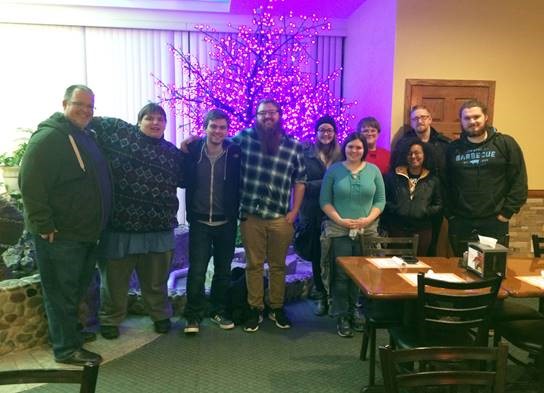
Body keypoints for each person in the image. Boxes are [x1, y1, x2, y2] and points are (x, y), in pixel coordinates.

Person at [18, 84, 111, 365]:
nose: (85, 110)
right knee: (61, 294)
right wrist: (44, 225)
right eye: (79, 104)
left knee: (73, 291)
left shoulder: (83, 136)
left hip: (83, 234)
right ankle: (66, 349)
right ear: (64, 103)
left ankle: (69, 336)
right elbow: (30, 184)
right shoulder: (49, 139)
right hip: (60, 236)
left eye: (90, 107)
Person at [92, 103, 184, 339]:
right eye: (149, 118)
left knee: (156, 282)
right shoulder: (120, 135)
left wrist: (189, 146)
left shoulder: (172, 153)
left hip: (158, 228)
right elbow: (89, 118)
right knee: (114, 281)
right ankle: (110, 319)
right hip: (120, 228)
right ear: (139, 121)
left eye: (160, 119)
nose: (155, 123)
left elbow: (189, 178)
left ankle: (160, 316)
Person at [234, 99, 306, 333]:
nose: (267, 117)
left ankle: (276, 307)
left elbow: (300, 181)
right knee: (253, 265)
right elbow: (217, 143)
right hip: (251, 216)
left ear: (279, 115)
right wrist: (192, 142)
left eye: (272, 113)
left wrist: (294, 211)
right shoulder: (244, 138)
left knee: (277, 266)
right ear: (256, 116)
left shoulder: (293, 145)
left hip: (280, 218)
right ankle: (255, 308)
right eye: (263, 113)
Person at [320, 132, 385, 338]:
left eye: (358, 147)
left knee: (364, 275)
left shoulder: (373, 171)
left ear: (364, 149)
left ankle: (358, 311)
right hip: (339, 231)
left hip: (367, 231)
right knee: (341, 275)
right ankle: (342, 314)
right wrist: (340, 220)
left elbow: (380, 201)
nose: (354, 151)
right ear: (344, 148)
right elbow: (324, 201)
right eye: (350, 147)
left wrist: (367, 220)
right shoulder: (334, 171)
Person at [182, 109, 241, 334]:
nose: (218, 131)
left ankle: (218, 310)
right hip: (199, 222)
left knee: (223, 270)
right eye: (213, 126)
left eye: (222, 127)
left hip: (226, 222)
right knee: (196, 270)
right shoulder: (193, 150)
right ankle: (193, 315)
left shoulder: (235, 152)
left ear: (227, 130)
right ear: (205, 127)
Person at [446, 99, 528, 256]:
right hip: (461, 222)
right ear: (461, 121)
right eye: (467, 118)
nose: (472, 121)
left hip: (494, 222)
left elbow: (519, 181)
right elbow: (444, 183)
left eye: (476, 117)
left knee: (492, 271)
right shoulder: (452, 149)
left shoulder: (505, 144)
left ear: (486, 117)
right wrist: (450, 215)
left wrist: (506, 213)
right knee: (460, 269)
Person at [295, 115, 342, 316]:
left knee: (334, 256)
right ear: (316, 133)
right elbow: (300, 182)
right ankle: (321, 295)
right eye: (322, 130)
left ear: (334, 133)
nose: (325, 134)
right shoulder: (306, 154)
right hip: (311, 212)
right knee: (316, 256)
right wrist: (327, 183)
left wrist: (319, 184)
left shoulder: (342, 155)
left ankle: (335, 297)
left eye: (329, 130)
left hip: (336, 212)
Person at [392, 105, 450, 256]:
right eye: (415, 118)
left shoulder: (444, 144)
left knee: (431, 249)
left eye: (423, 117)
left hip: (433, 206)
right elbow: (395, 171)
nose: (419, 121)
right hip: (405, 209)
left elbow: (450, 174)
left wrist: (433, 207)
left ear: (430, 119)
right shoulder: (403, 144)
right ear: (411, 122)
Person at [382, 139, 442, 256]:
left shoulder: (433, 180)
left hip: (422, 230)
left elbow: (438, 204)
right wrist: (397, 209)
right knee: (395, 265)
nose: (413, 156)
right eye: (409, 153)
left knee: (418, 265)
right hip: (397, 228)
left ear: (424, 155)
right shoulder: (393, 177)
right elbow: (384, 199)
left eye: (417, 153)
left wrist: (424, 211)